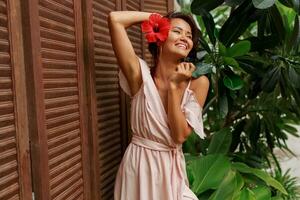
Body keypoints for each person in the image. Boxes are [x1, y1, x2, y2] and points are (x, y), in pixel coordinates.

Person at [108, 10, 209, 200]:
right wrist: (157, 20)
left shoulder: (198, 83)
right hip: (139, 167)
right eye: (177, 31)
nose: (184, 38)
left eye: (189, 36)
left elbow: (179, 135)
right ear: (160, 36)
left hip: (170, 168)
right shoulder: (139, 76)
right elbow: (115, 20)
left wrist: (173, 87)